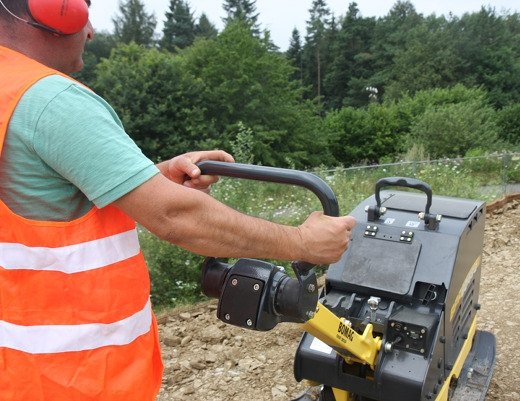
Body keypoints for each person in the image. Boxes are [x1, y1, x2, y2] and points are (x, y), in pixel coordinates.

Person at [0, 0, 356, 400]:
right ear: (51, 9)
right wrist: (302, 242)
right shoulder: (51, 101)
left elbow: (40, 195)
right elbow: (173, 215)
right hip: (72, 378)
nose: (91, 30)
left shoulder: (8, 94)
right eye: (84, 9)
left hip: (18, 371)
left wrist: (151, 178)